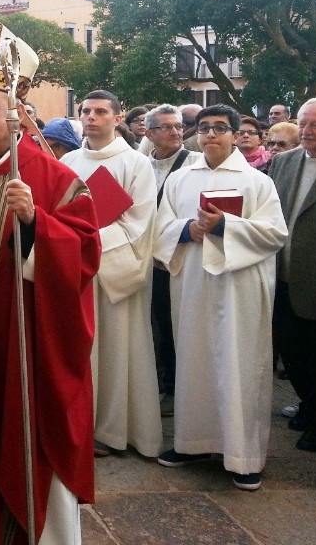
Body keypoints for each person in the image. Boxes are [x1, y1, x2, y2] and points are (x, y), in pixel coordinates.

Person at [0, 23, 101, 545]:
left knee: (13, 440)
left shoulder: (54, 177)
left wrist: (36, 223)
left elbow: (85, 254)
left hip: (19, 351)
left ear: (16, 112)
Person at [154, 105, 287, 490]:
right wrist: (186, 230)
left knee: (239, 363)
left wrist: (225, 224)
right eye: (205, 128)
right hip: (193, 281)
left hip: (239, 283)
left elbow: (275, 234)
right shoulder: (180, 179)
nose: (211, 134)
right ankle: (192, 442)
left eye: (221, 128)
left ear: (235, 135)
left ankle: (243, 456)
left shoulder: (257, 182)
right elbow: (160, 226)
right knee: (194, 357)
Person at [60, 90, 163, 458]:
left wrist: (87, 239)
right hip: (75, 268)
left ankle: (113, 429)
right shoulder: (69, 160)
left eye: (101, 111)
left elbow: (140, 223)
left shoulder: (136, 164)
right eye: (86, 111)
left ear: (117, 118)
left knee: (117, 350)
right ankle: (78, 424)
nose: (91, 117)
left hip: (112, 272)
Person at [268, 98, 316, 453]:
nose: (305, 131)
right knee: (291, 353)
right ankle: (310, 405)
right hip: (282, 276)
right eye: (303, 123)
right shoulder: (283, 162)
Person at [143, 105, 201, 416]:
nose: (176, 132)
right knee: (154, 325)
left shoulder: (195, 163)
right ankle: (159, 384)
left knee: (175, 325)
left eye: (179, 127)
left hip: (176, 259)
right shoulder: (141, 165)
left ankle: (180, 388)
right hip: (144, 258)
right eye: (166, 127)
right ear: (149, 133)